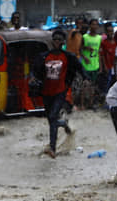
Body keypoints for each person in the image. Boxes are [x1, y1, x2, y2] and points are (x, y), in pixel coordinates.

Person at [32, 29, 86, 158]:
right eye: (55, 39)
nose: (57, 41)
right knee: (52, 119)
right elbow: (34, 70)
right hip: (46, 92)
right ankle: (64, 124)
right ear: (52, 41)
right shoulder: (44, 56)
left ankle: (52, 148)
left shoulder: (68, 57)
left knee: (52, 116)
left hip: (60, 92)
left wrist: (86, 78)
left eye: (59, 39)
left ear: (63, 42)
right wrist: (33, 78)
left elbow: (80, 68)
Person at [80, 18, 103, 108]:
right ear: (89, 26)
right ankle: (82, 104)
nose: (94, 26)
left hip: (95, 65)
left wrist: (100, 66)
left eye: (96, 24)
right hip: (86, 65)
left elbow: (99, 53)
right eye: (92, 24)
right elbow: (80, 49)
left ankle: (90, 103)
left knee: (93, 86)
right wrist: (84, 57)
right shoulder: (85, 37)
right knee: (84, 85)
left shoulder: (99, 38)